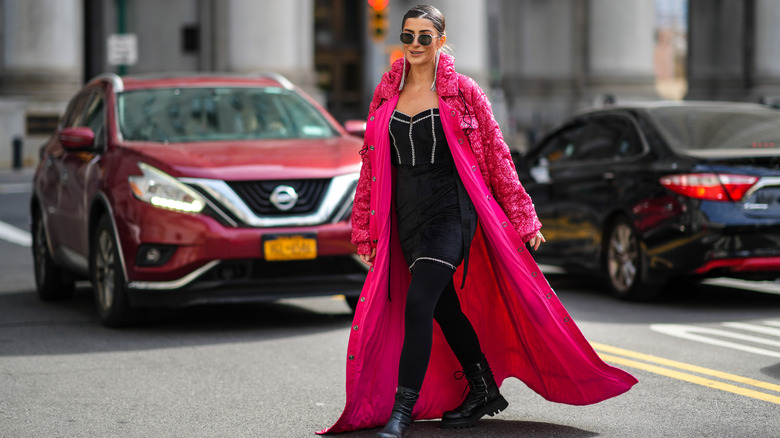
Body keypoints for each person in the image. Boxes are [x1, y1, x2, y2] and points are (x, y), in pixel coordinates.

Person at [319, 5, 637, 438]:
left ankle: (402, 410)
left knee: (418, 304)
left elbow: (497, 157)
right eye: (408, 36)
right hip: (405, 215)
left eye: (424, 37)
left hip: (450, 210)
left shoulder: (463, 92)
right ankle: (484, 387)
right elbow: (371, 165)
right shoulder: (386, 93)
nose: (414, 44)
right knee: (444, 307)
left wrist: (524, 218)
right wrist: (363, 228)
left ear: (441, 41)